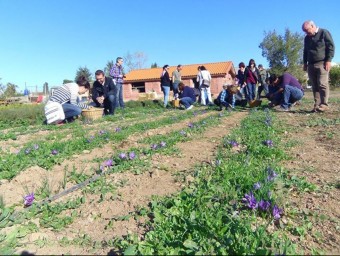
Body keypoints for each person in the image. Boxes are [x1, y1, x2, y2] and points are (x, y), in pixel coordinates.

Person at [302, 20, 335, 112]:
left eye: (307, 30)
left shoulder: (324, 32)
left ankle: (324, 104)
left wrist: (328, 60)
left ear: (312, 26)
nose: (306, 33)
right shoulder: (306, 38)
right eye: (304, 31)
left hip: (322, 63)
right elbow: (305, 51)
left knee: (322, 83)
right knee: (314, 85)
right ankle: (317, 105)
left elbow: (331, 47)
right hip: (311, 64)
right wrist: (305, 63)